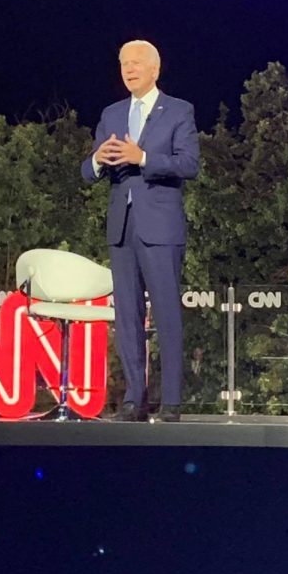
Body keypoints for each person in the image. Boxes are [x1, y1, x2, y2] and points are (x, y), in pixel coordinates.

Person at [81, 40, 200, 422]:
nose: (129, 69)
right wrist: (97, 161)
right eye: (123, 64)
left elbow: (189, 164)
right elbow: (86, 173)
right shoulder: (111, 114)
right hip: (122, 227)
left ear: (154, 69)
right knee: (127, 317)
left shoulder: (178, 111)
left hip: (161, 227)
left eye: (136, 63)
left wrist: (143, 158)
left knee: (165, 314)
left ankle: (172, 402)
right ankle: (135, 400)